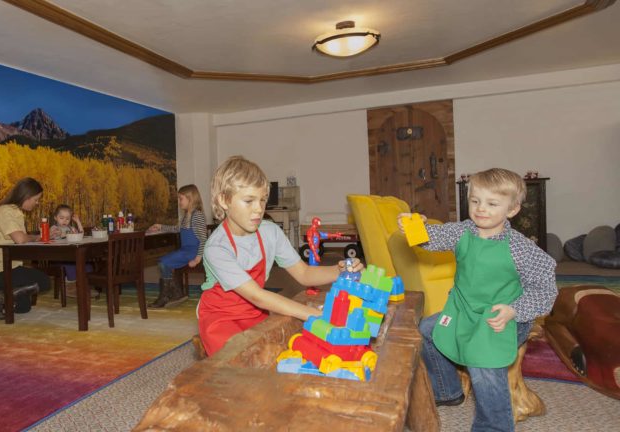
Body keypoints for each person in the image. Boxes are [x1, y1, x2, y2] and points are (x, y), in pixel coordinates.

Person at [398, 168, 556, 432]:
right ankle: (447, 391)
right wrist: (414, 227)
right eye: (475, 201)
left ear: (513, 209)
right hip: (464, 310)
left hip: (502, 317)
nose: (481, 209)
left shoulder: (521, 248)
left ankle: (493, 426)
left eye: (492, 203)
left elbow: (546, 291)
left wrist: (514, 310)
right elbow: (430, 239)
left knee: (482, 362)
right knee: (427, 330)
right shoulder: (463, 231)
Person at [198, 156, 363, 356]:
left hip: (254, 312)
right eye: (249, 201)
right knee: (240, 360)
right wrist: (314, 314)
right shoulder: (217, 247)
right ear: (224, 200)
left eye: (262, 200)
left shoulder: (270, 233)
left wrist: (338, 270)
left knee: (279, 351)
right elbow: (256, 296)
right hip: (220, 318)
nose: (259, 209)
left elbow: (304, 273)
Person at [0, 177, 51, 319]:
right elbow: (20, 239)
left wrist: (37, 236)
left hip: (8, 266)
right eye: (36, 199)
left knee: (23, 308)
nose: (37, 203)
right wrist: (38, 237)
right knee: (44, 281)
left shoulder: (14, 211)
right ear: (27, 196)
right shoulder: (6, 211)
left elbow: (20, 238)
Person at [146, 184, 207, 308]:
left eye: (181, 198)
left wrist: (197, 259)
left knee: (163, 262)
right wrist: (160, 226)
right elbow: (177, 228)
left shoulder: (197, 216)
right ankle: (176, 292)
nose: (179, 202)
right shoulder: (186, 216)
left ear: (190, 199)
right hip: (185, 250)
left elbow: (203, 239)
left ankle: (167, 295)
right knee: (163, 261)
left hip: (193, 252)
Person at [48, 204, 97, 298]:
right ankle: (69, 287)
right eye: (61, 218)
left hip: (70, 257)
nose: (64, 221)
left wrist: (78, 221)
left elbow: (81, 234)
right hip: (58, 258)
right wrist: (59, 234)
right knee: (70, 265)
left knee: (86, 265)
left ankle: (82, 287)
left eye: (67, 218)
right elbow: (53, 235)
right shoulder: (54, 228)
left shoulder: (71, 228)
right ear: (55, 218)